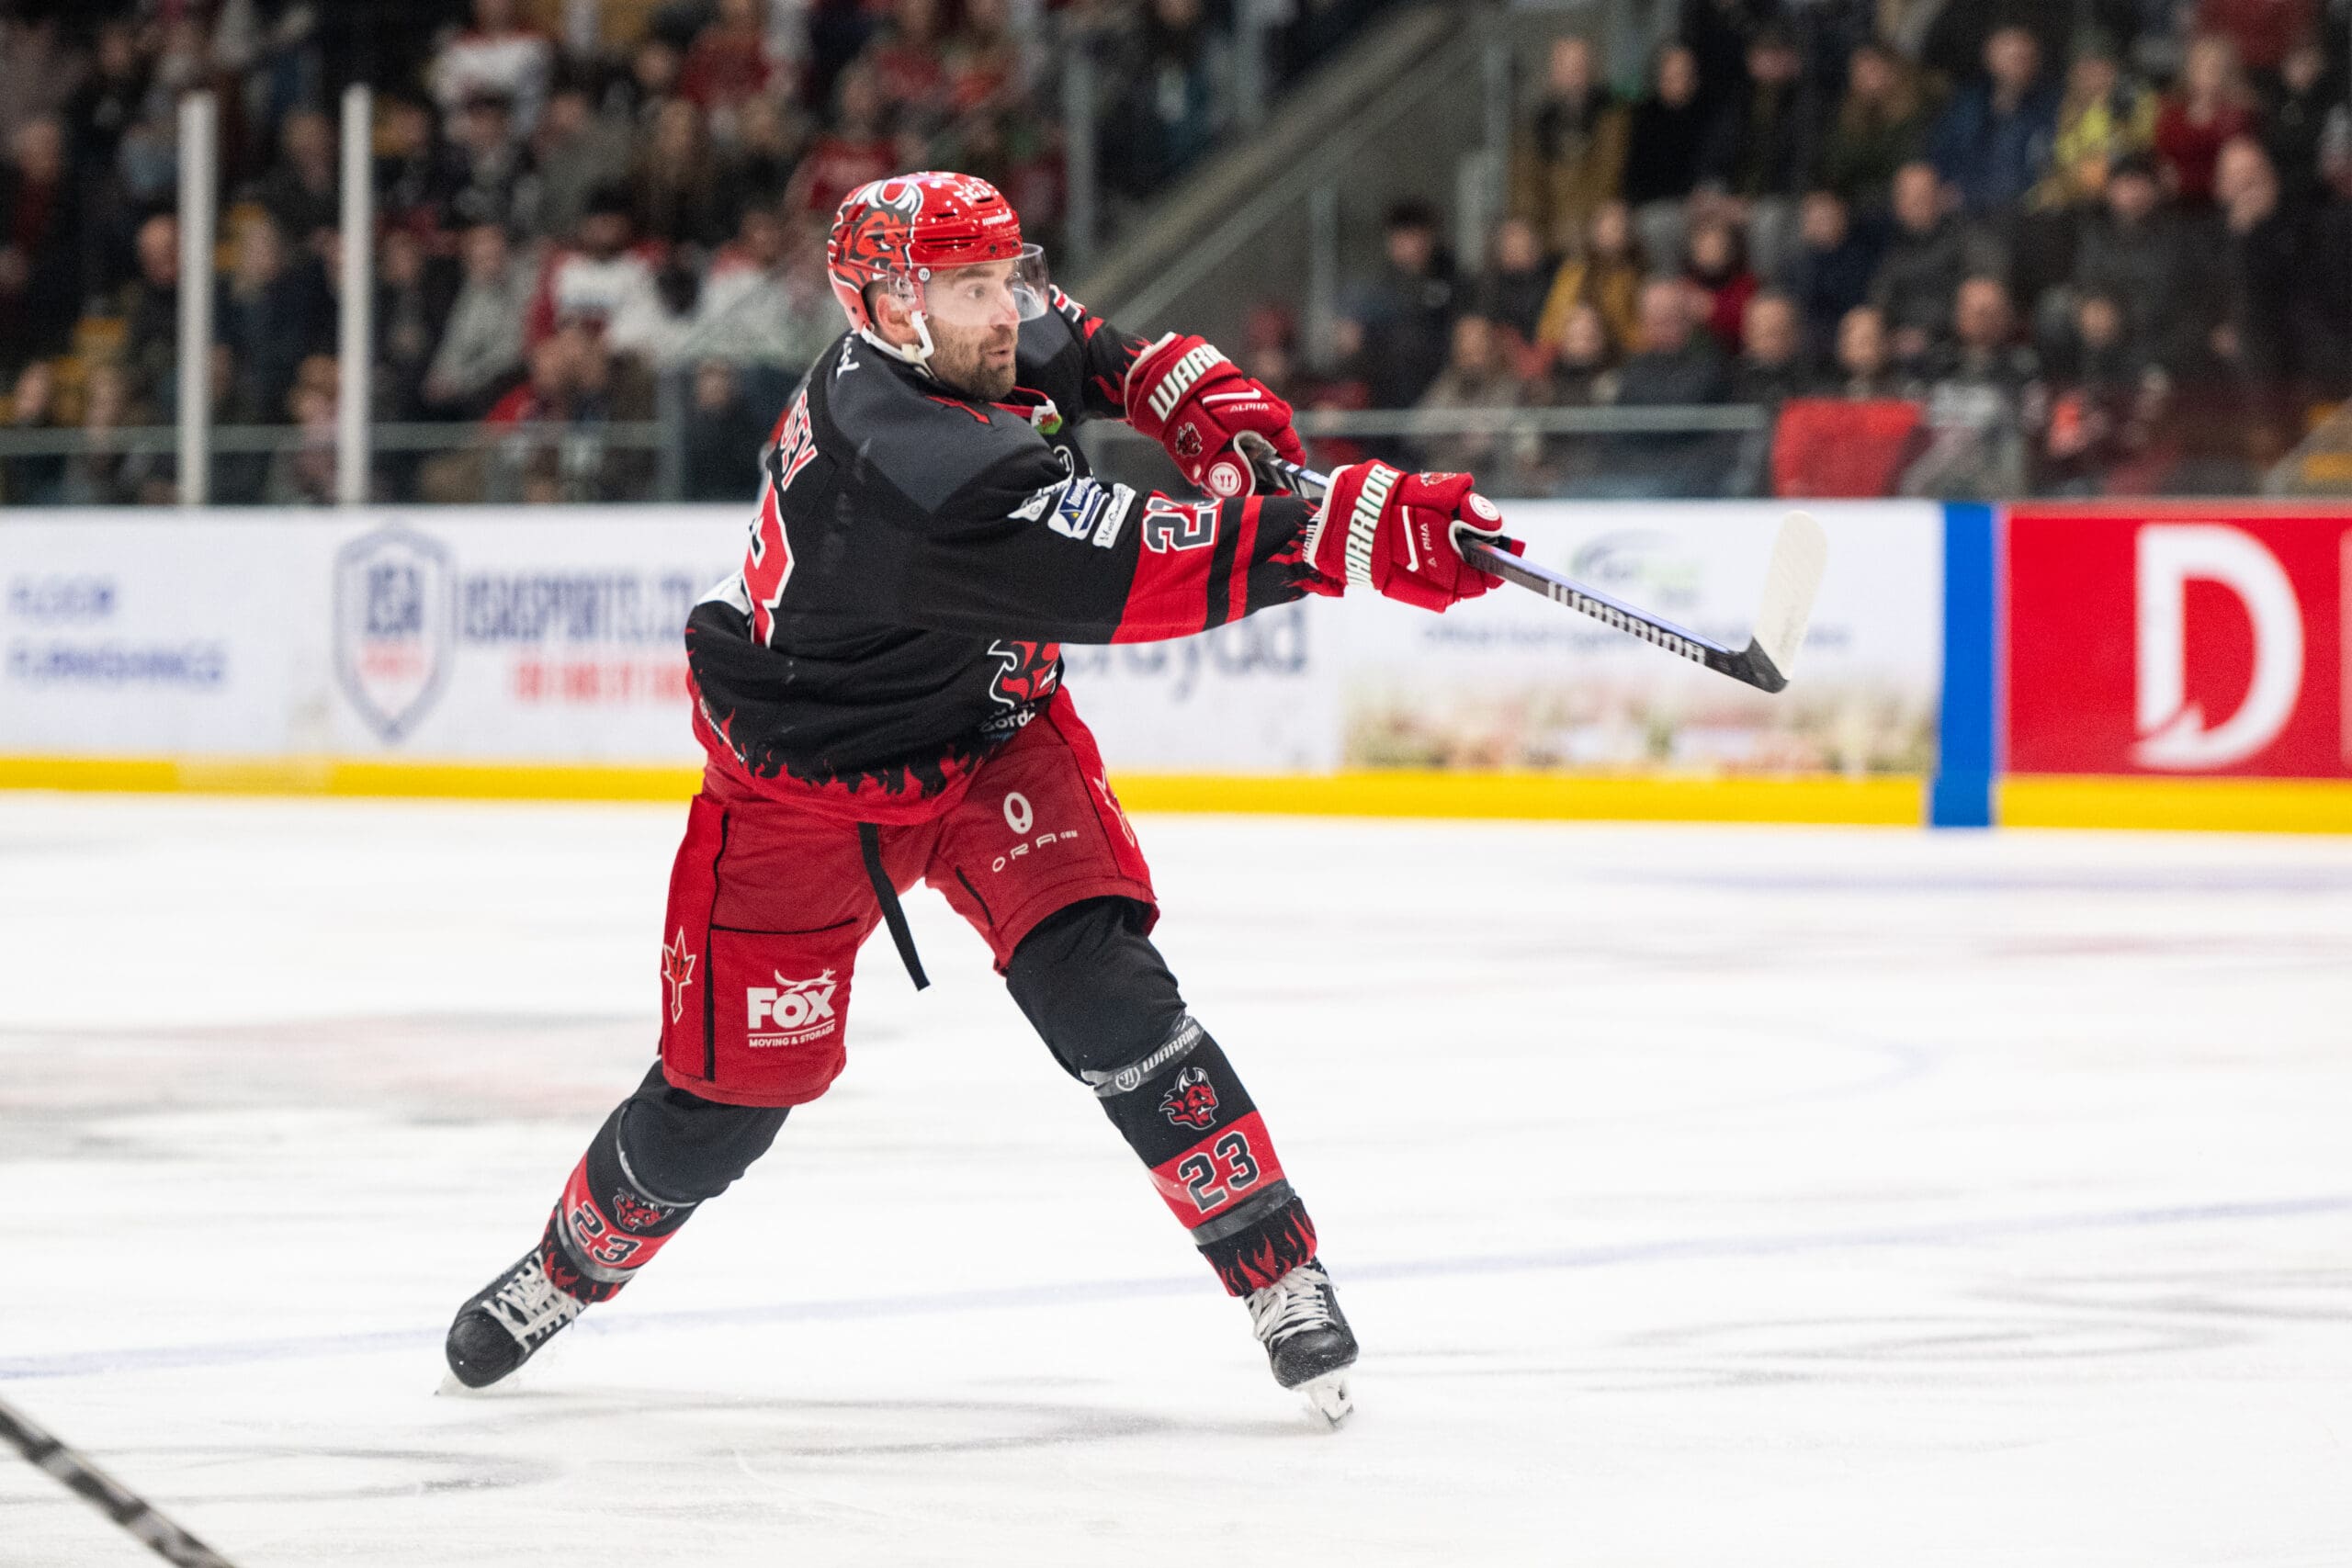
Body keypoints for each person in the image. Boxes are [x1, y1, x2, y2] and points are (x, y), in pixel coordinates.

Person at [441, 172, 1518, 1425]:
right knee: (725, 1108)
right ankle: (569, 1267)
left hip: (993, 732)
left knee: (1107, 993)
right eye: (971, 288)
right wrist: (1334, 528)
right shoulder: (904, 465)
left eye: (1005, 276)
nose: (1003, 310)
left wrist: (1174, 382)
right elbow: (1128, 569)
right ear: (889, 308)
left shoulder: (958, 344)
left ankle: (1278, 1272)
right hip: (803, 792)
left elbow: (1087, 345)